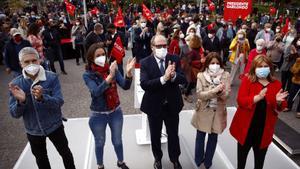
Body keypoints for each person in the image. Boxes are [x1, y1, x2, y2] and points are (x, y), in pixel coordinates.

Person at [8, 47, 76, 169]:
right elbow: (14, 113)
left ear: (40, 60)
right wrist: (21, 101)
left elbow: (59, 102)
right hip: (33, 130)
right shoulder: (16, 84)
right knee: (41, 160)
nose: (31, 64)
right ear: (21, 64)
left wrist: (42, 98)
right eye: (27, 62)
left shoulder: (51, 77)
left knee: (65, 153)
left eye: (34, 60)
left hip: (55, 126)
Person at [230, 55, 288, 169]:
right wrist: (257, 97)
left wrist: (279, 102)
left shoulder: (276, 84)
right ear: (254, 68)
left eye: (265, 66)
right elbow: (240, 100)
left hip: (263, 131)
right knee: (241, 162)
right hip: (246, 129)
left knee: (259, 163)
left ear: (270, 68)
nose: (262, 68)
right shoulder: (248, 80)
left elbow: (281, 106)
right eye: (259, 66)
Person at [83, 44, 135, 169]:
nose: (101, 57)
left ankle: (121, 162)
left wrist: (128, 74)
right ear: (91, 58)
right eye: (98, 55)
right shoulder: (88, 75)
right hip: (98, 115)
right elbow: (95, 92)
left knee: (117, 140)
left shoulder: (112, 69)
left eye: (103, 55)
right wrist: (109, 78)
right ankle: (100, 165)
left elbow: (125, 86)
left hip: (115, 112)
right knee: (100, 142)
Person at [140, 35, 187, 169]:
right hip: (154, 106)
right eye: (159, 46)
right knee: (155, 135)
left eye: (164, 46)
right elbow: (145, 84)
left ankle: (175, 159)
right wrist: (164, 78)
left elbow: (183, 79)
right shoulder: (145, 62)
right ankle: (157, 158)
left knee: (173, 134)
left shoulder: (174, 59)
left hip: (172, 105)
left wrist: (173, 76)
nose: (162, 48)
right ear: (152, 47)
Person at [192, 52, 230, 169]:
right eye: (212, 63)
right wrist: (214, 92)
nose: (215, 65)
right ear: (208, 64)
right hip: (203, 111)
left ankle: (208, 163)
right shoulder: (201, 76)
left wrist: (221, 92)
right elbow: (199, 94)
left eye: (217, 63)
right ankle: (198, 161)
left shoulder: (226, 75)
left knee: (213, 138)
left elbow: (227, 95)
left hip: (218, 113)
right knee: (200, 137)